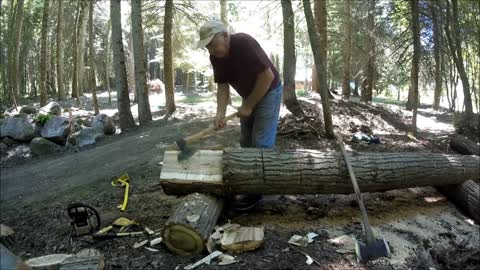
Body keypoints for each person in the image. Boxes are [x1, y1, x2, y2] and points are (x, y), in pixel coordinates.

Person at [197, 20, 282, 211]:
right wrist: (220, 114)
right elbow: (222, 85)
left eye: (213, 44)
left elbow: (267, 76)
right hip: (249, 95)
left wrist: (249, 105)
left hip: (269, 91)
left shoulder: (244, 43)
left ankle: (257, 192)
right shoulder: (216, 57)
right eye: (207, 46)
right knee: (245, 142)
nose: (211, 50)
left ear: (225, 36)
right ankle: (248, 181)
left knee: (260, 143)